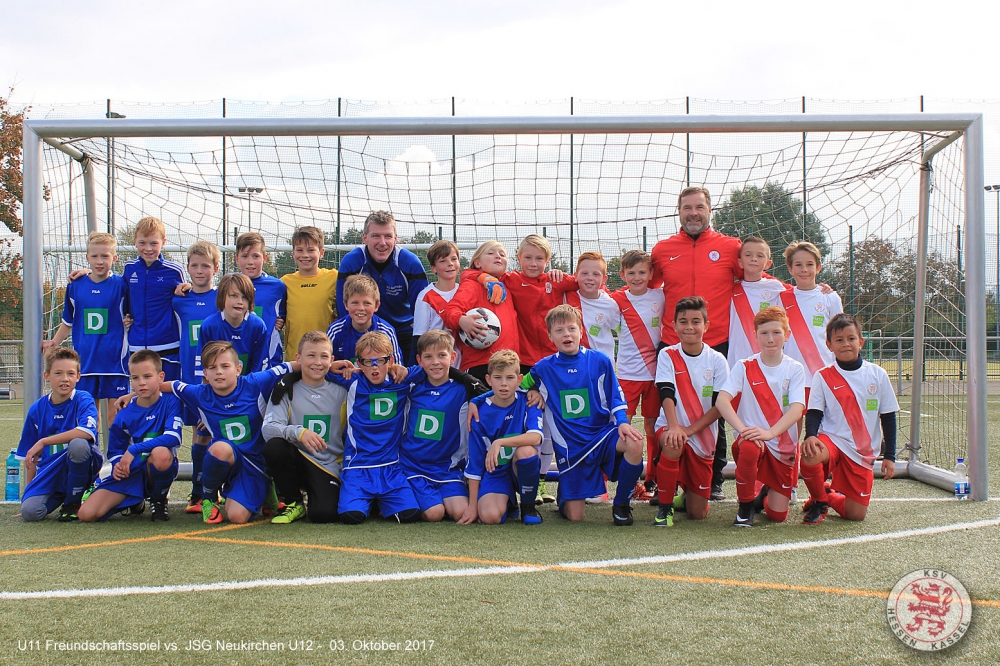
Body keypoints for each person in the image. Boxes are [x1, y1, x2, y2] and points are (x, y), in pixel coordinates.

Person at [650, 187, 744, 501]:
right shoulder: (662, 249)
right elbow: (646, 287)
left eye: (699, 207)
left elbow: (754, 278)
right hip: (671, 343)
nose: (693, 213)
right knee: (666, 410)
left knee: (716, 409)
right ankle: (663, 479)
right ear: (679, 212)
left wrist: (806, 287)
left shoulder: (730, 247)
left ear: (709, 210)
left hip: (717, 344)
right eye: (687, 207)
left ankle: (713, 479)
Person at [521, 305, 645, 526]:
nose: (566, 334)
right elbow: (520, 386)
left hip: (601, 436)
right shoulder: (542, 368)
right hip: (572, 448)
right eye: (559, 330)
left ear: (581, 331)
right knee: (574, 517)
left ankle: (622, 505)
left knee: (634, 442)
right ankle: (566, 494)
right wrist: (532, 391)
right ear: (550, 336)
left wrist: (622, 422)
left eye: (571, 328)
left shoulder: (600, 361)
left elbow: (615, 396)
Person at [158, 341, 299, 524]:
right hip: (225, 459)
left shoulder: (255, 383)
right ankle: (209, 499)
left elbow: (290, 366)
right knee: (219, 448)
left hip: (255, 464)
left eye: (225, 366)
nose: (219, 372)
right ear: (205, 373)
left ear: (238, 369)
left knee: (237, 517)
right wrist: (133, 396)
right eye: (212, 368)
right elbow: (172, 386)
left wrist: (328, 367)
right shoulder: (199, 394)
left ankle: (266, 489)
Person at [800, 313, 899, 524]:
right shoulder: (822, 375)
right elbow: (814, 412)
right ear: (829, 345)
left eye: (851, 338)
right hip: (833, 442)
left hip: (861, 452)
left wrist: (890, 456)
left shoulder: (878, 375)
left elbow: (888, 417)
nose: (846, 344)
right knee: (810, 454)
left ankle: (827, 494)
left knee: (856, 515)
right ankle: (819, 501)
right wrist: (810, 435)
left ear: (861, 342)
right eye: (839, 340)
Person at [717, 307, 806, 528]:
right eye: (764, 333)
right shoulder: (744, 366)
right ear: (755, 336)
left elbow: (797, 410)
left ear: (787, 335)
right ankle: (745, 506)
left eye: (776, 332)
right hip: (753, 441)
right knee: (749, 446)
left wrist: (769, 433)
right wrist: (743, 430)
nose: (770, 339)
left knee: (777, 515)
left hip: (782, 447)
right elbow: (722, 401)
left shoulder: (795, 368)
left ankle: (764, 493)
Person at [78, 350, 183, 523]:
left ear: (161, 377)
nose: (141, 383)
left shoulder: (171, 401)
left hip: (156, 467)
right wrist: (118, 465)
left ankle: (159, 499)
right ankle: (134, 500)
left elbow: (173, 437)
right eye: (135, 378)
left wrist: (134, 450)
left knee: (161, 454)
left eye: (147, 376)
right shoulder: (125, 412)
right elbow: (115, 450)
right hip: (132, 471)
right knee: (87, 514)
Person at [651, 297, 730, 527]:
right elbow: (666, 393)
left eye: (696, 321)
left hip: (702, 436)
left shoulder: (717, 360)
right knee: (673, 442)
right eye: (683, 321)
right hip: (671, 427)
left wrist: (690, 430)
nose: (689, 327)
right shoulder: (667, 354)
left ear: (706, 325)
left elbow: (720, 406)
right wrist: (675, 427)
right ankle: (665, 508)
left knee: (697, 514)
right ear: (674, 325)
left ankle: (685, 495)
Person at [332, 331, 422, 525]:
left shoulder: (401, 380)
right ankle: (369, 502)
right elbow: (314, 368)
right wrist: (330, 365)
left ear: (390, 361)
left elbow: (435, 367)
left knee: (410, 515)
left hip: (391, 466)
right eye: (367, 361)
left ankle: (379, 502)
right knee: (351, 517)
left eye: (380, 361)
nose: (374, 367)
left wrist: (470, 382)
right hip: (358, 465)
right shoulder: (353, 380)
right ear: (358, 363)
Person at [43, 231, 129, 431]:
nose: (100, 261)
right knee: (89, 416)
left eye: (105, 256)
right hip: (85, 362)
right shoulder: (76, 285)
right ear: (87, 257)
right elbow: (68, 321)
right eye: (95, 256)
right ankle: (91, 451)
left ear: (114, 258)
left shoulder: (121, 285)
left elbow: (132, 314)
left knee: (116, 416)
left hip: (115, 362)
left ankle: (117, 452)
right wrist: (54, 342)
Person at [262, 331, 348, 524]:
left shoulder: (343, 391)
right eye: (311, 355)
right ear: (298, 358)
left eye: (324, 356)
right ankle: (293, 502)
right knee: (274, 447)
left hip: (328, 466)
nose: (317, 362)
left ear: (332, 360)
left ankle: (319, 495)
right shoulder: (285, 389)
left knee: (323, 515)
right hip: (298, 460)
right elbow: (268, 429)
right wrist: (299, 432)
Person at [402, 330, 487, 522]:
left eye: (442, 355)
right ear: (419, 360)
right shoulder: (411, 388)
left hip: (446, 468)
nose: (435, 362)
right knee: (435, 513)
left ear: (453, 357)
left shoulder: (463, 390)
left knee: (460, 512)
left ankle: (438, 496)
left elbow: (491, 397)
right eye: (428, 357)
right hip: (413, 466)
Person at [16, 348, 101, 522]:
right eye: (58, 373)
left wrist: (43, 442)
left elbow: (86, 432)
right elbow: (31, 458)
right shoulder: (37, 409)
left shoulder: (83, 399)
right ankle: (62, 494)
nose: (65, 379)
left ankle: (74, 501)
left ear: (78, 377)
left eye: (70, 373)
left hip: (82, 466)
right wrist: (28, 493)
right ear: (47, 375)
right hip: (51, 472)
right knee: (30, 512)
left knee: (78, 444)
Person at [460, 349, 544, 525]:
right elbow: (475, 464)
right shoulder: (479, 413)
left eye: (510, 378)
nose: (504, 384)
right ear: (489, 380)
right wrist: (472, 506)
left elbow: (536, 437)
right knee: (489, 517)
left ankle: (528, 507)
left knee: (527, 452)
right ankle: (509, 502)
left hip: (519, 468)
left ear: (519, 379)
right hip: (496, 474)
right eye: (498, 378)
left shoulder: (529, 401)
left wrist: (499, 443)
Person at [336, 211, 429, 363]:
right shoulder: (352, 262)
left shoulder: (410, 263)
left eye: (388, 236)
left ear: (395, 238)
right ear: (365, 238)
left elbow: (421, 313)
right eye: (376, 236)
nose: (382, 242)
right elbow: (343, 308)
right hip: (363, 331)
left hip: (403, 332)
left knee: (405, 374)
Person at [171, 240, 221, 513]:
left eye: (205, 266)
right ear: (188, 268)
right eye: (195, 265)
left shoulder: (222, 298)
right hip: (190, 377)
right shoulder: (178, 299)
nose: (200, 271)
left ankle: (218, 489)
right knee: (199, 433)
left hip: (217, 378)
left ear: (216, 268)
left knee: (218, 433)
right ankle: (198, 492)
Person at [611, 249, 664, 501]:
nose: (637, 277)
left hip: (655, 376)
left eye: (642, 272)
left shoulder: (661, 296)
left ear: (651, 274)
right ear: (623, 275)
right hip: (627, 375)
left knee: (653, 426)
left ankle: (652, 478)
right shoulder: (616, 300)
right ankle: (628, 483)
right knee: (624, 427)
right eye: (631, 273)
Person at [440, 240, 520, 382]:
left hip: (509, 364)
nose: (498, 256)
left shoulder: (508, 286)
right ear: (477, 263)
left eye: (502, 255)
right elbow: (449, 311)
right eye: (491, 253)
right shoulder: (472, 286)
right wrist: (461, 320)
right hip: (481, 365)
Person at [122, 216, 186, 380]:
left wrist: (188, 287)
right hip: (137, 344)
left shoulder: (174, 271)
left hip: (168, 344)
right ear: (135, 242)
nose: (148, 248)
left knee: (168, 391)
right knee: (142, 391)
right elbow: (123, 296)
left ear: (163, 242)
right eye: (142, 243)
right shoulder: (129, 268)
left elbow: (185, 299)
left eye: (153, 243)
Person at [780, 241, 843, 392]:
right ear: (790, 269)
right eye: (798, 265)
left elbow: (840, 335)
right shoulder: (781, 298)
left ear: (818, 268)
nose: (804, 269)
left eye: (809, 264)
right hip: (791, 378)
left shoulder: (830, 298)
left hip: (824, 376)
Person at [726, 236, 787, 367]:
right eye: (748, 255)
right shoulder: (731, 290)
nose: (753, 259)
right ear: (740, 262)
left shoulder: (776, 287)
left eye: (760, 256)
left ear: (768, 264)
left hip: (768, 359)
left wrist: (821, 289)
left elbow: (801, 294)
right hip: (737, 361)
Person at [281, 226, 339, 360]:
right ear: (293, 253)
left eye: (311, 250)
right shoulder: (284, 282)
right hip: (295, 356)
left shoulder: (333, 278)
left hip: (324, 356)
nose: (305, 255)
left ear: (321, 252)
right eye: (299, 250)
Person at [198, 273, 270, 376]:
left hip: (247, 385)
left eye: (245, 297)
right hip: (217, 384)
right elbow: (203, 370)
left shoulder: (258, 326)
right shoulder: (209, 326)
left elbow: (260, 371)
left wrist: (245, 385)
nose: (240, 302)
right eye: (234, 296)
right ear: (222, 297)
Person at [234, 232, 287, 368]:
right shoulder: (229, 284)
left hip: (268, 353)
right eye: (244, 256)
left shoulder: (277, 286)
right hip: (237, 352)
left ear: (265, 258)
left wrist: (281, 320)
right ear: (237, 258)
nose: (250, 262)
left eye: (255, 256)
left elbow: (283, 313)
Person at [326, 274, 403, 363]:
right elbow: (325, 364)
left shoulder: (386, 331)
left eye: (367, 303)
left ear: (376, 306)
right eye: (355, 303)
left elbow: (397, 366)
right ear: (346, 305)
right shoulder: (335, 331)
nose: (361, 308)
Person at [412, 239, 462, 367]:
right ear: (433, 268)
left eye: (454, 259)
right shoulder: (425, 297)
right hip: (438, 367)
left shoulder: (464, 291)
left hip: (463, 364)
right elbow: (420, 338)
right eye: (443, 261)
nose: (450, 264)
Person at [564, 251, 620, 363]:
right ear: (575, 276)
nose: (590, 278)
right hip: (575, 363)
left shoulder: (610, 305)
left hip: (602, 364)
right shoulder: (566, 298)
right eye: (585, 273)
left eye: (596, 274)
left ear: (604, 279)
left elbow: (621, 332)